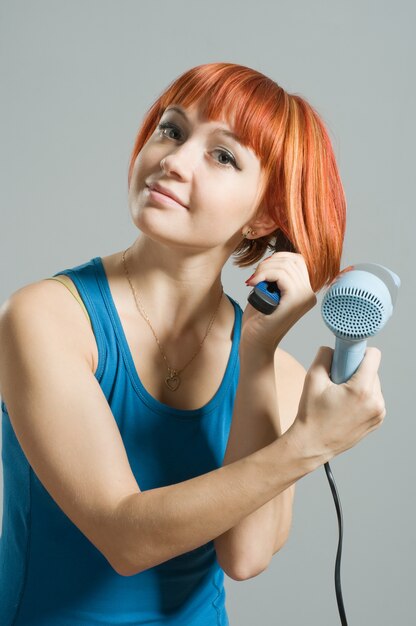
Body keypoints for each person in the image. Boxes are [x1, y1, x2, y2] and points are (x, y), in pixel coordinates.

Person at [0, 62, 386, 625]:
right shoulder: (45, 317)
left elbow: (246, 557)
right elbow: (123, 538)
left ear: (264, 217)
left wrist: (256, 354)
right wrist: (308, 443)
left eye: (223, 155)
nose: (172, 161)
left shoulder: (277, 371)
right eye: (172, 130)